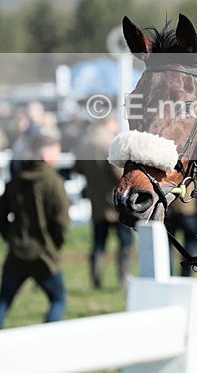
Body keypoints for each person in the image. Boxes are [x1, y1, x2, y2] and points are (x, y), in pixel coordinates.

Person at [0, 129, 70, 330]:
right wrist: (54, 245)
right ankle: (48, 339)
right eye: (56, 151)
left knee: (3, 301)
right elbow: (61, 222)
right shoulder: (52, 181)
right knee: (59, 300)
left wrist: (10, 236)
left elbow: (0, 214)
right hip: (43, 253)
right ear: (45, 153)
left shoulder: (17, 177)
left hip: (17, 251)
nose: (58, 156)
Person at [73, 118, 135, 289]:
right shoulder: (111, 143)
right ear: (108, 123)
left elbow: (77, 168)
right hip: (116, 200)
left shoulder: (84, 143)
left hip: (96, 200)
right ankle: (123, 279)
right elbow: (118, 174)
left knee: (99, 242)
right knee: (125, 241)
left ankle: (96, 281)